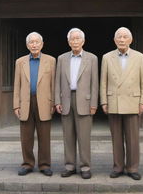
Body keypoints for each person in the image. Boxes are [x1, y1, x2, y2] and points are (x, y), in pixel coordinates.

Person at [100, 27, 143, 180]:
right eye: (119, 37)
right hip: (113, 101)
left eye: (125, 37)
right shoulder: (107, 57)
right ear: (114, 40)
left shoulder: (140, 57)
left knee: (133, 139)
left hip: (133, 102)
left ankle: (132, 168)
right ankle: (118, 167)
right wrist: (103, 101)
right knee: (116, 138)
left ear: (130, 40)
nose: (122, 39)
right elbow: (103, 82)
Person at [55, 28, 98, 179]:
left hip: (85, 102)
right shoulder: (61, 59)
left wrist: (94, 103)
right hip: (66, 100)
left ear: (83, 41)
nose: (75, 41)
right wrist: (57, 101)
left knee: (84, 137)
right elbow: (57, 82)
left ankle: (85, 167)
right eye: (72, 39)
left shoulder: (92, 58)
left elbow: (95, 83)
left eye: (77, 39)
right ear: (68, 42)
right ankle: (70, 166)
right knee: (68, 136)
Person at [13, 32, 56, 176]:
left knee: (44, 136)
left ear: (42, 44)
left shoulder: (51, 60)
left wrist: (54, 103)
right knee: (26, 136)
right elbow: (16, 85)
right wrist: (16, 105)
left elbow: (53, 84)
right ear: (27, 45)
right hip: (26, 102)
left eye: (37, 42)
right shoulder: (20, 62)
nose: (34, 44)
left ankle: (44, 165)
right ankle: (27, 164)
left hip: (44, 102)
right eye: (31, 42)